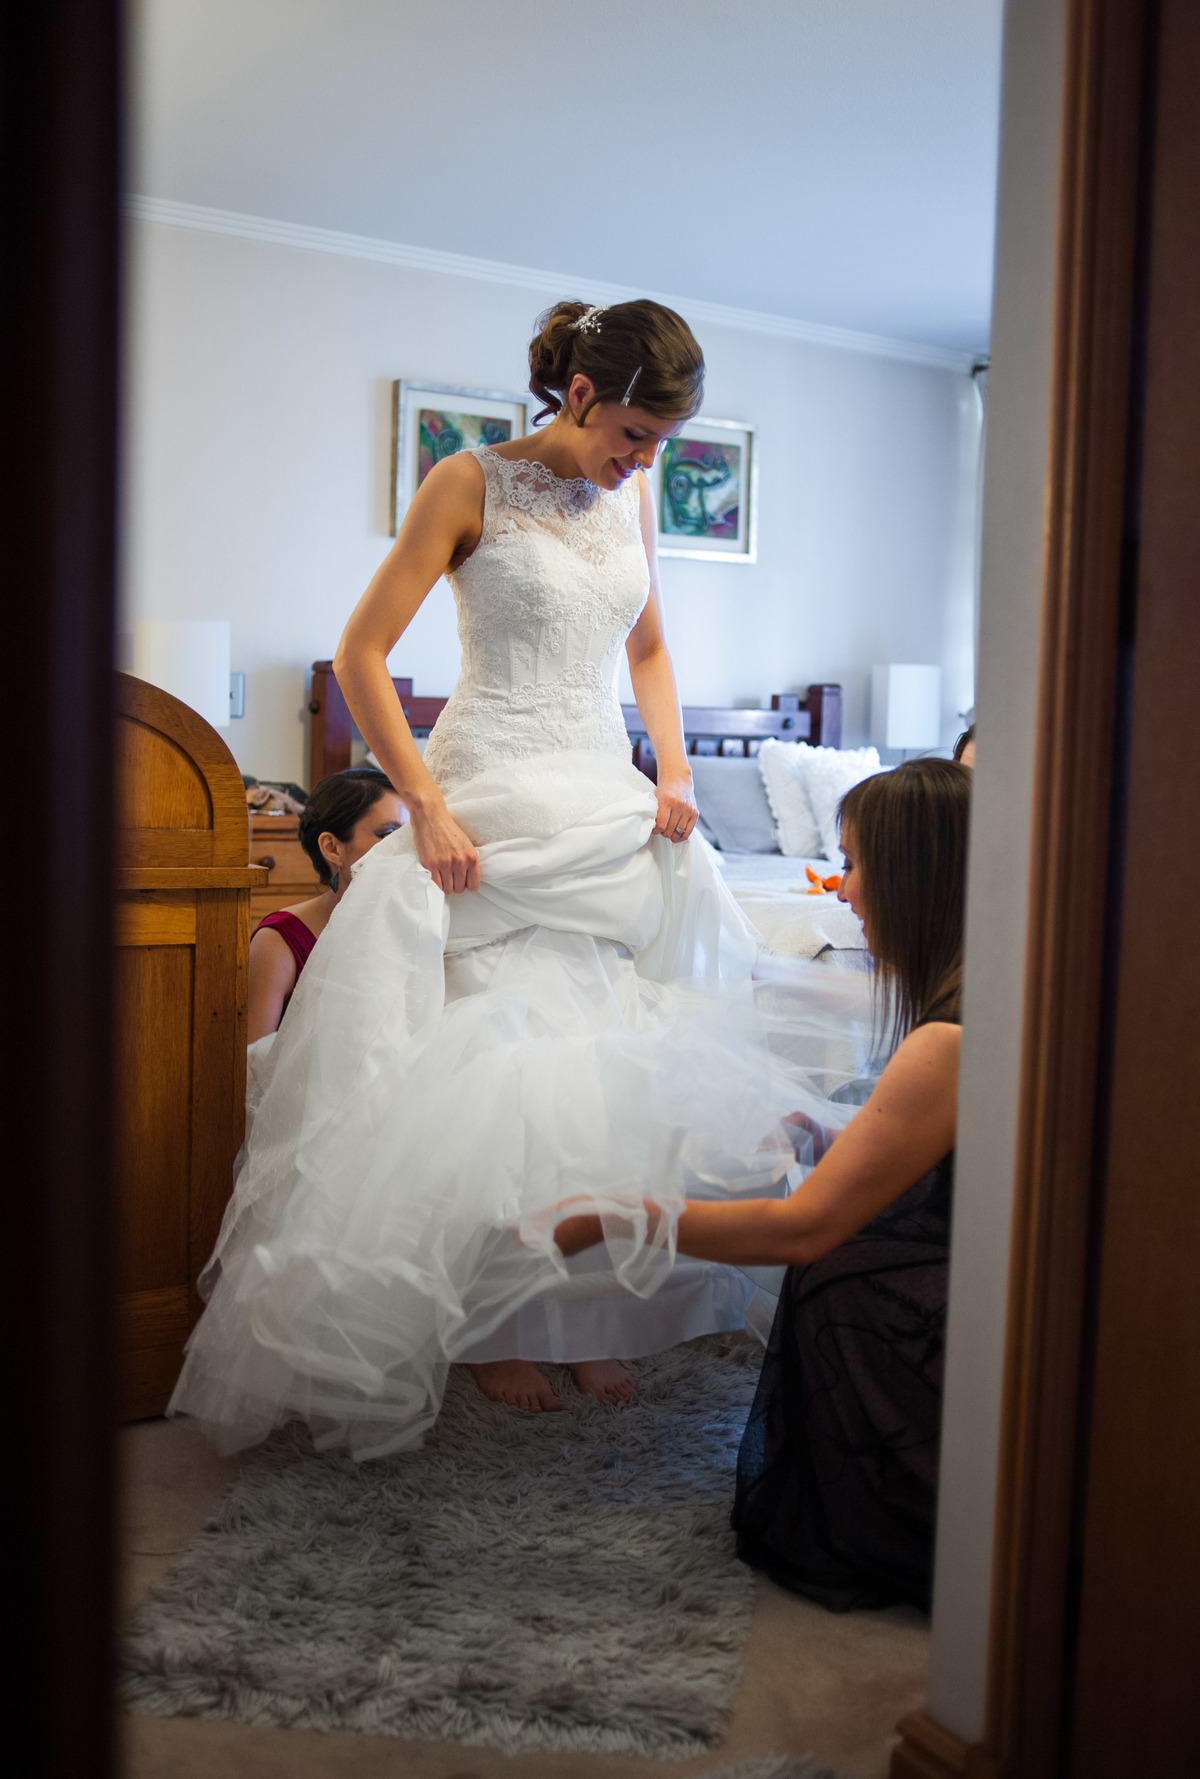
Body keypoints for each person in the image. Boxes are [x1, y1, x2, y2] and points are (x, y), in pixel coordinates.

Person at [170, 297, 852, 1461]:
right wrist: (425, 806)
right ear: (580, 394)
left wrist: (675, 768)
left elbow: (647, 645)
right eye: (633, 435)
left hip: (599, 789)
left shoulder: (631, 498)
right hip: (486, 786)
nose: (643, 462)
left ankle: (581, 1313)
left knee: (597, 1052)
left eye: (662, 445)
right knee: (492, 1045)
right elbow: (361, 654)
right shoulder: (466, 482)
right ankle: (490, 1326)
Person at [556, 758, 970, 1609]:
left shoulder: (946, 1039)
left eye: (854, 863)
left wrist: (620, 1214)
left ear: (915, 874)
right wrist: (830, 1131)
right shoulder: (992, 996)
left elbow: (799, 1228)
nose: (842, 889)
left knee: (832, 1268)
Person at [246, 769, 407, 1044]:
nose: (407, 848)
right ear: (332, 848)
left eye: (409, 834)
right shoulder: (278, 943)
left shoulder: (415, 923)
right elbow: (252, 1061)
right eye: (388, 833)